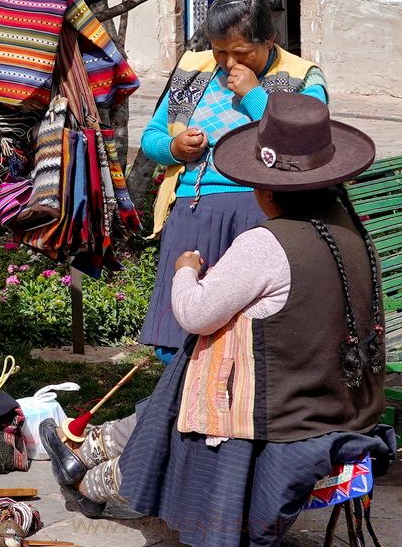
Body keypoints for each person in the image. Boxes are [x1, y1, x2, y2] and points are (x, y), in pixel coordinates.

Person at [41, 93, 393, 546]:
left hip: (283, 415)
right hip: (344, 404)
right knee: (201, 364)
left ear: (266, 190)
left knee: (196, 361)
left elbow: (193, 313)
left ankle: (97, 471)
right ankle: (94, 452)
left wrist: (185, 268)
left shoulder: (267, 244)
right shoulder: (357, 238)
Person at [139, 0, 329, 362]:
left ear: (269, 39)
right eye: (219, 50)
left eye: (240, 52)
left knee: (242, 330)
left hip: (261, 213)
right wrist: (174, 149)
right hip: (194, 210)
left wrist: (255, 94)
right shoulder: (194, 70)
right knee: (182, 322)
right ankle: (177, 405)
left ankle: (234, 405)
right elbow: (152, 137)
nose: (227, 62)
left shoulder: (301, 77)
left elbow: (300, 142)